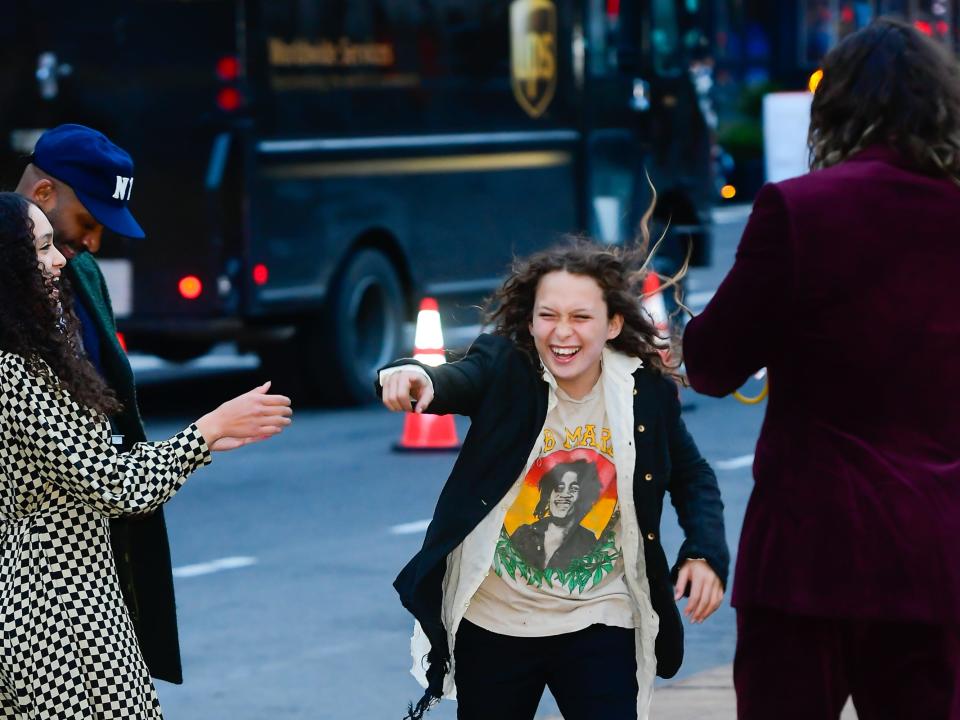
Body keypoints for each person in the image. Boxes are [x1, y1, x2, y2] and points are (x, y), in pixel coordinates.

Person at [682, 18, 960, 719]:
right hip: (935, 556)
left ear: (834, 109)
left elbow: (713, 362)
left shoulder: (800, 210)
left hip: (810, 551)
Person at [379, 238, 729, 720]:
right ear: (530, 321)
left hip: (600, 616)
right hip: (496, 619)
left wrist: (705, 552)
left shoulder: (643, 392)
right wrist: (413, 376)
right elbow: (454, 379)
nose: (562, 332)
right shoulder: (506, 370)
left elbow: (693, 476)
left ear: (613, 324)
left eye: (581, 317)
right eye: (548, 315)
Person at [0, 192, 292, 718]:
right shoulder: (11, 370)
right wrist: (205, 432)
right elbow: (114, 485)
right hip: (51, 605)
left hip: (78, 591)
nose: (60, 259)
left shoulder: (33, 348)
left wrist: (201, 443)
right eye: (42, 249)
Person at [16, 123, 184, 682]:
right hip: (26, 576)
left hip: (88, 559)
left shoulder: (82, 273)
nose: (91, 245)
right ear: (44, 194)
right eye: (87, 222)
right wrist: (206, 433)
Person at [510, 460, 603, 571]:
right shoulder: (523, 534)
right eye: (559, 487)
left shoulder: (588, 542)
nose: (564, 495)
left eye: (573, 489)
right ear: (548, 494)